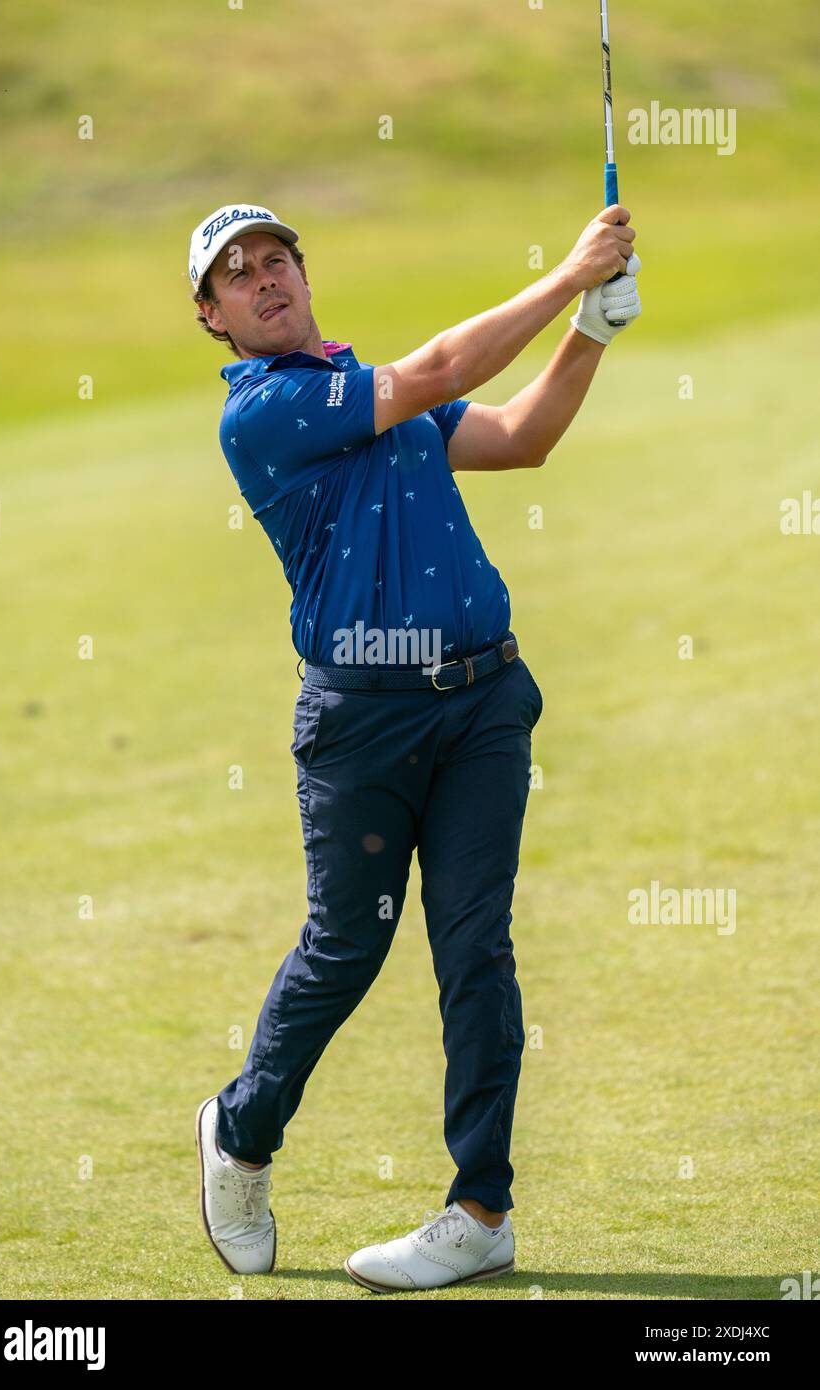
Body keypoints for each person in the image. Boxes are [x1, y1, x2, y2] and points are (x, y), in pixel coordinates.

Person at [189, 201, 641, 1292]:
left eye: (277, 259)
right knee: (346, 945)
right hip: (363, 721)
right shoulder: (267, 411)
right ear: (213, 320)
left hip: (483, 700)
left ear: (302, 270)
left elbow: (520, 437)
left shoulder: (365, 387)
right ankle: (239, 1134)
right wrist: (566, 273)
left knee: (475, 946)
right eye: (236, 276)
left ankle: (480, 1210)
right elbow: (439, 369)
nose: (265, 279)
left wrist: (592, 327)